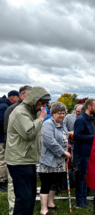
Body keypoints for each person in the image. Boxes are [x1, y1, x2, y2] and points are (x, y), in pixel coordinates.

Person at [5, 86, 50, 215]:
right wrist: (41, 119)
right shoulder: (20, 112)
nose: (44, 106)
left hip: (28, 159)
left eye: (46, 103)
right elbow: (29, 132)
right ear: (34, 99)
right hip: (19, 160)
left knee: (29, 198)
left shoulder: (31, 111)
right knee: (23, 199)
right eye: (42, 102)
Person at [37, 102, 72, 215]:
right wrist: (63, 152)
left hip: (59, 160)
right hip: (47, 159)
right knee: (46, 183)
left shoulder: (63, 124)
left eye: (63, 113)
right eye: (59, 113)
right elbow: (49, 142)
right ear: (53, 113)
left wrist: (67, 144)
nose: (62, 115)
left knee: (54, 182)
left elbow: (63, 137)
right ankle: (43, 209)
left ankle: (50, 204)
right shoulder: (47, 124)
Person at [3, 85, 32, 214]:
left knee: (25, 188)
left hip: (26, 154)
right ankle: (12, 209)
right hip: (15, 153)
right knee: (13, 183)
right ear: (21, 95)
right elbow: (9, 132)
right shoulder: (13, 110)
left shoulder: (28, 109)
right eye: (29, 94)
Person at [73, 98, 95, 209]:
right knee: (81, 177)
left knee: (86, 177)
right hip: (82, 153)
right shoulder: (81, 120)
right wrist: (94, 137)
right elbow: (76, 136)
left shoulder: (92, 120)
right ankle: (79, 201)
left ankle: (84, 199)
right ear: (89, 107)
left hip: (89, 152)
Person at [0, 90, 19, 192]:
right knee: (2, 160)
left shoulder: (4, 105)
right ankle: (1, 181)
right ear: (12, 97)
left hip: (3, 137)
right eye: (17, 97)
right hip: (1, 138)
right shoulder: (4, 106)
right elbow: (2, 122)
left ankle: (4, 179)